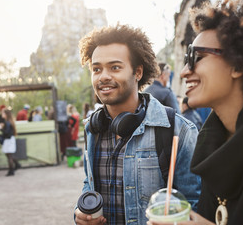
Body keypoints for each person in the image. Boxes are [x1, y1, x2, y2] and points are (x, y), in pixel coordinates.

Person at [150, 0, 243, 225]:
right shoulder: (211, 146)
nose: (186, 71)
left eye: (197, 57)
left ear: (238, 64)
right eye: (186, 58)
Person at [75, 24, 201, 225]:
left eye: (115, 67)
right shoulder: (93, 128)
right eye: (96, 69)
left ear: (138, 72)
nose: (103, 76)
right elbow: (89, 184)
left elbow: (193, 205)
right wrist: (82, 213)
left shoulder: (179, 130)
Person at [0, 109, 20, 176]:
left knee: (9, 156)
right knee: (9, 155)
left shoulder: (7, 122)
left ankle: (11, 170)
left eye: (3, 113)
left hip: (8, 140)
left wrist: (1, 129)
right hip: (10, 140)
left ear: (6, 114)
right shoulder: (9, 122)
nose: (2, 115)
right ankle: (17, 165)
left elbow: (7, 133)